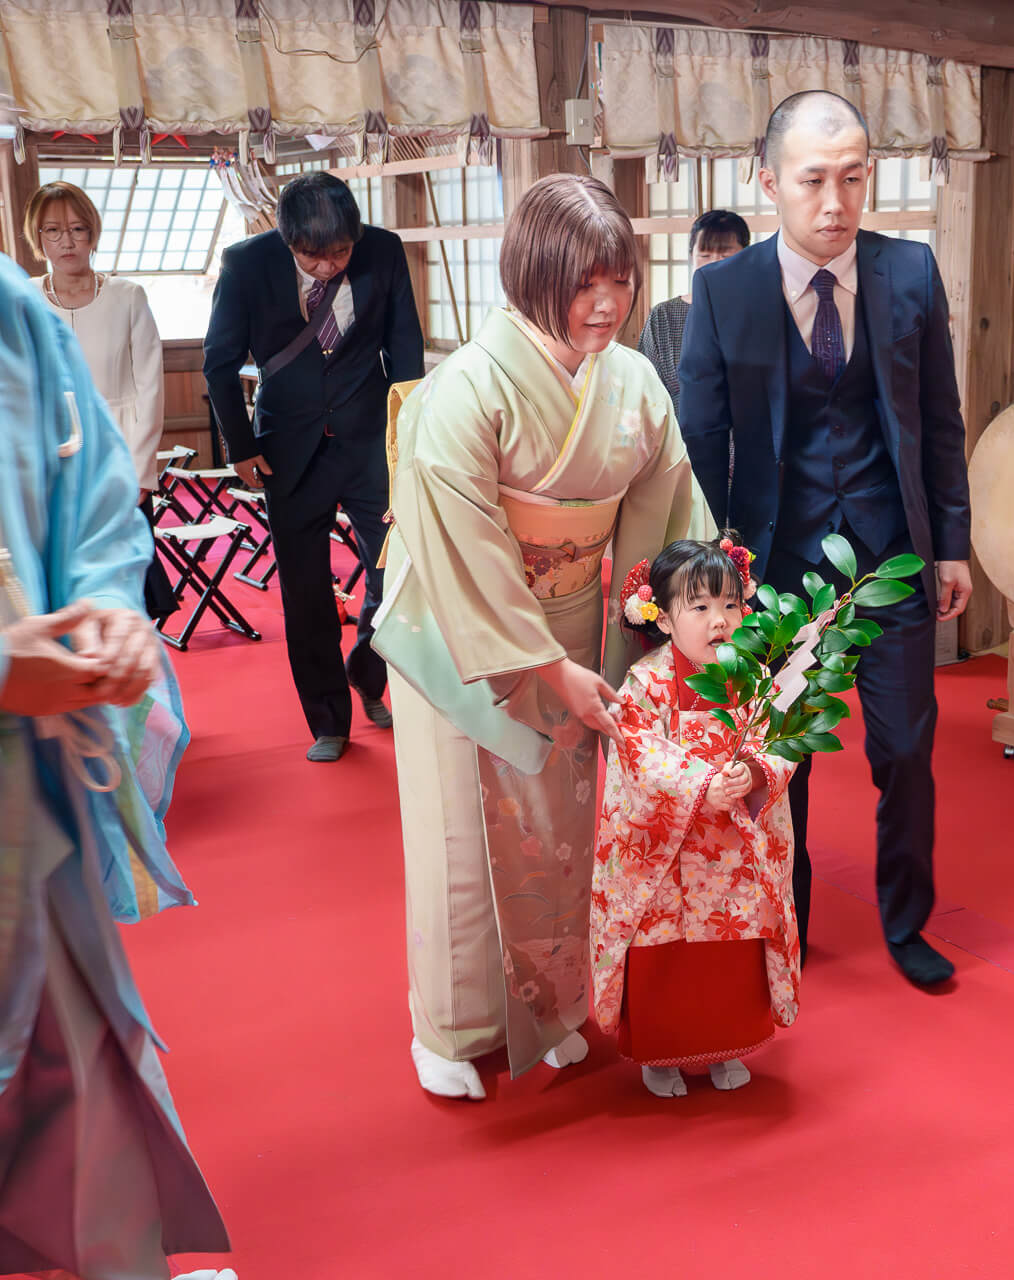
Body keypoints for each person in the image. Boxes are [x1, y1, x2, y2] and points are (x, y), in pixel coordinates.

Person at [373, 173, 714, 1103]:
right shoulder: (467, 390)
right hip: (458, 629)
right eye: (581, 283)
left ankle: (550, 1006)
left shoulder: (634, 381)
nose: (605, 304)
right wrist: (544, 663)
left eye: (620, 281)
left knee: (560, 827)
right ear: (531, 276)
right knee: (457, 832)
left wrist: (672, 624)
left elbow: (666, 509)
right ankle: (452, 1024)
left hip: (572, 626)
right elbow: (463, 546)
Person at [677, 90, 973, 987]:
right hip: (778, 563)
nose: (836, 202)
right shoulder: (723, 290)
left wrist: (952, 541)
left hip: (892, 552)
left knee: (906, 750)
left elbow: (940, 419)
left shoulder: (910, 273)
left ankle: (907, 921)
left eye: (853, 178)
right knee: (781, 757)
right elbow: (701, 433)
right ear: (770, 181)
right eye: (813, 181)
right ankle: (785, 918)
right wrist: (711, 572)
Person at [0, 254, 233, 1280]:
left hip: (34, 758)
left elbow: (94, 500)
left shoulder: (15, 310)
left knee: (79, 1035)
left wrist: (111, 610)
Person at [203, 171, 424, 762]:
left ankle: (368, 668)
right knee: (304, 593)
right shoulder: (246, 265)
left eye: (340, 253)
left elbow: (404, 350)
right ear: (287, 240)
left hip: (371, 442)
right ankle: (329, 720)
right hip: (285, 451)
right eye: (312, 257)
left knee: (399, 577)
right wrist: (242, 447)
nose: (328, 267)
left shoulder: (383, 250)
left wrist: (413, 438)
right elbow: (219, 363)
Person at [592, 536, 799, 1098]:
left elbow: (782, 739)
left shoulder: (752, 674)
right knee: (667, 951)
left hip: (736, 845)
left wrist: (756, 772)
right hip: (669, 852)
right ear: (661, 617)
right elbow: (639, 754)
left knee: (734, 945)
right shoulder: (647, 681)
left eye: (730, 605)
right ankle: (660, 1057)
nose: (720, 621)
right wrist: (703, 784)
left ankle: (727, 1046)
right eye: (700, 607)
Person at [27, 179, 176, 623]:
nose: (66, 241)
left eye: (77, 229)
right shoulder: (26, 299)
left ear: (92, 233)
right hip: (48, 459)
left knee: (124, 590)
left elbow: (149, 387)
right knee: (57, 593)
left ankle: (132, 688)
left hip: (117, 456)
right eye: (52, 231)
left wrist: (139, 471)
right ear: (39, 238)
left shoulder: (127, 296)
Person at [637, 209, 750, 415]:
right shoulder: (663, 316)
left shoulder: (760, 312)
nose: (715, 265)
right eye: (705, 255)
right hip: (680, 441)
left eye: (725, 255)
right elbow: (645, 391)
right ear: (691, 256)